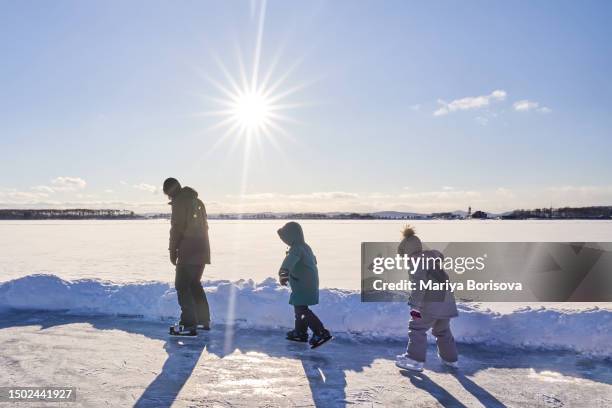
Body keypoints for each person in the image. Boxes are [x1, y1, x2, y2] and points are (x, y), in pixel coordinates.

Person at [395, 225, 459, 372]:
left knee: (417, 328)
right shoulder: (432, 260)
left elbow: (419, 285)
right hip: (446, 302)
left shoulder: (417, 262)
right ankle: (450, 359)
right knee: (442, 330)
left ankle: (414, 360)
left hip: (431, 302)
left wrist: (415, 306)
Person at [163, 177, 211, 336]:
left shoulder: (179, 203)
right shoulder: (197, 201)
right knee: (194, 284)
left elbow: (176, 229)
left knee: (182, 285)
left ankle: (189, 323)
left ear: (170, 191)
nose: (168, 198)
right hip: (202, 249)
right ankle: (203, 321)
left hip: (188, 250)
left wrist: (172, 251)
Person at [277, 222, 332, 348]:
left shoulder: (296, 249)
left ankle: (320, 332)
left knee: (302, 310)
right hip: (307, 282)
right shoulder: (305, 246)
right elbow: (314, 260)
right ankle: (300, 332)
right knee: (299, 308)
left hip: (303, 284)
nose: (284, 240)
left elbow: (289, 261)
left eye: (285, 237)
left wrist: (284, 273)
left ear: (292, 236)